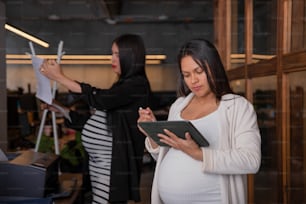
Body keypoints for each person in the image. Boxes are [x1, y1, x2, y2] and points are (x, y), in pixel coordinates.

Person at [137, 39, 261, 204]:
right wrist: (153, 132)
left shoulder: (237, 107)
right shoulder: (179, 105)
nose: (193, 80)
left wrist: (198, 154)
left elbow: (250, 160)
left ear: (214, 67)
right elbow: (164, 154)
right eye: (186, 75)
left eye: (199, 71)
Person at [40, 34, 152, 204]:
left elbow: (101, 99)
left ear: (130, 56)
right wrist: (59, 108)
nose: (111, 59)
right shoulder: (121, 85)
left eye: (116, 54)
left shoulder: (137, 85)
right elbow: (95, 121)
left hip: (112, 170)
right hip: (99, 167)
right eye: (112, 54)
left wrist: (60, 78)